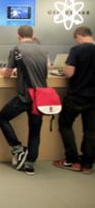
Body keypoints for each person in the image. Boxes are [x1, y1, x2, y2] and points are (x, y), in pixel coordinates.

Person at [0, 25, 48, 175]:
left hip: (24, 96)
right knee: (35, 131)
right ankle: (30, 164)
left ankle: (18, 149)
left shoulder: (16, 50)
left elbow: (6, 74)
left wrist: (4, 72)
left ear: (18, 35)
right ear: (32, 35)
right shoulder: (42, 50)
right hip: (40, 97)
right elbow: (45, 71)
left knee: (2, 118)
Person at [53, 26, 95, 174]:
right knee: (90, 130)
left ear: (78, 36)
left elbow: (69, 73)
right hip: (93, 98)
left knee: (65, 125)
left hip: (76, 96)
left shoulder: (77, 50)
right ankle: (88, 164)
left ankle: (73, 160)